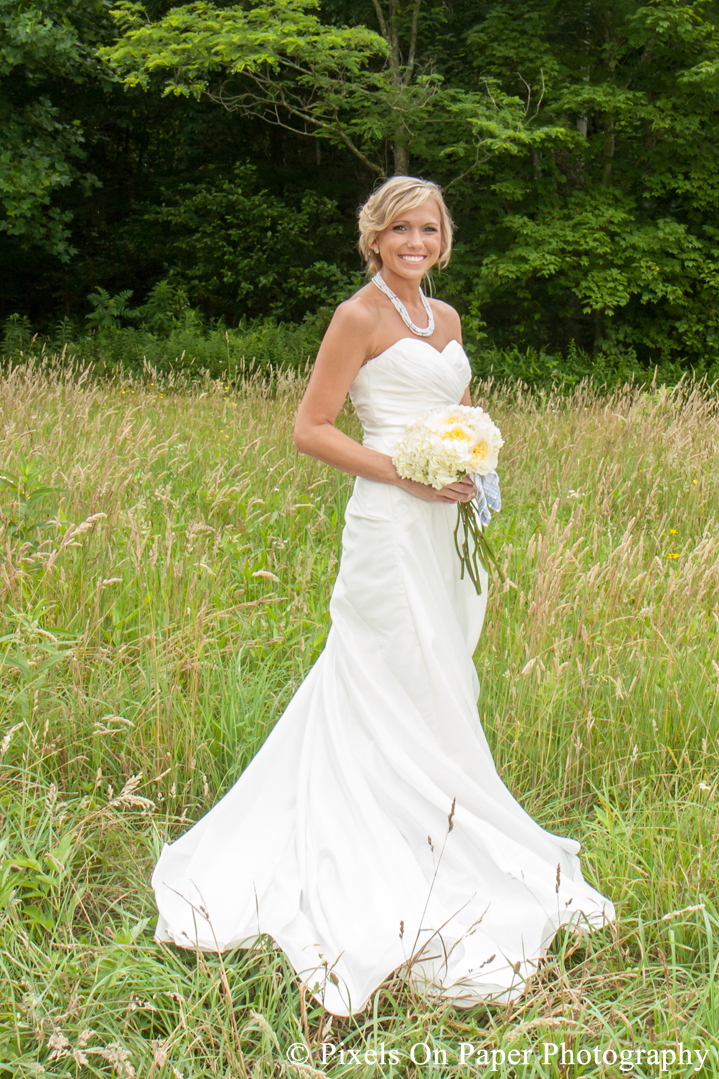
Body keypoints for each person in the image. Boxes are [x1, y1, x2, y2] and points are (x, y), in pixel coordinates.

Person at [152, 175, 615, 1017]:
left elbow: (459, 409)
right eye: (400, 228)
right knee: (380, 667)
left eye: (428, 230)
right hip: (387, 520)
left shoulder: (447, 320)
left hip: (445, 523)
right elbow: (311, 428)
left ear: (443, 240)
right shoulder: (356, 316)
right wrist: (407, 469)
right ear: (375, 237)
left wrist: (474, 463)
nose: (415, 242)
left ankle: (436, 819)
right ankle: (366, 839)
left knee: (439, 672)